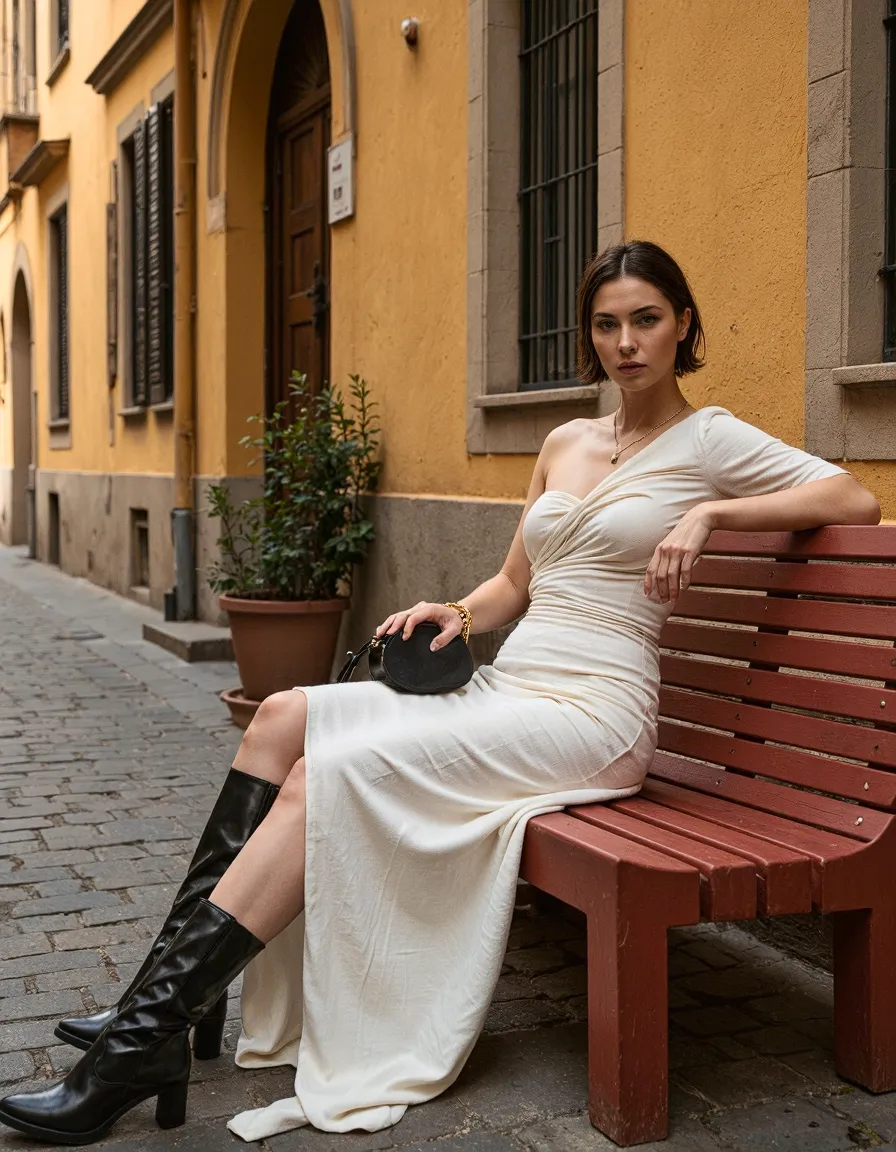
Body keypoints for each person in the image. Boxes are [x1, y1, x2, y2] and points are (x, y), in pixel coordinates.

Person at [0, 240, 881, 1145]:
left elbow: (850, 501)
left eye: (647, 320)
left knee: (320, 778)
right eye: (608, 323)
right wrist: (454, 609)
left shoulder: (712, 441)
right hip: (513, 683)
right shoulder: (565, 441)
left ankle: (137, 1046)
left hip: (595, 714)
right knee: (281, 715)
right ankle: (159, 1009)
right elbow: (513, 585)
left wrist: (710, 511)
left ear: (684, 324)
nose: (627, 342)